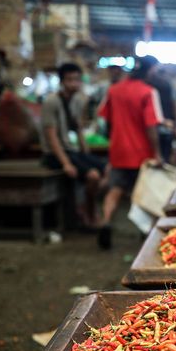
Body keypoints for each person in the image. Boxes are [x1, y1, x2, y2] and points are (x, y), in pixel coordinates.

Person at [97, 55, 164, 249]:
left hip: (118, 150)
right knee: (143, 194)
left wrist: (115, 140)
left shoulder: (114, 90)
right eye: (155, 70)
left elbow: (106, 120)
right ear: (149, 70)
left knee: (115, 190)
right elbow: (151, 126)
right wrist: (157, 153)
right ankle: (145, 234)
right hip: (141, 153)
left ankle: (106, 222)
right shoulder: (148, 92)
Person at [40, 62, 106, 228]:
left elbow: (78, 129)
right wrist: (66, 164)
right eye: (70, 80)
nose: (74, 83)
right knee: (93, 176)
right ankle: (87, 213)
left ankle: (86, 207)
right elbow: (51, 136)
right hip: (54, 154)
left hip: (72, 151)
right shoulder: (51, 102)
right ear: (62, 81)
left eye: (77, 79)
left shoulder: (76, 100)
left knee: (107, 167)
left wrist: (86, 154)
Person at [147, 62, 176, 164]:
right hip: (165, 122)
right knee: (165, 152)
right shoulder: (167, 85)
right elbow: (173, 104)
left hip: (153, 123)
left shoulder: (148, 84)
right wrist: (174, 122)